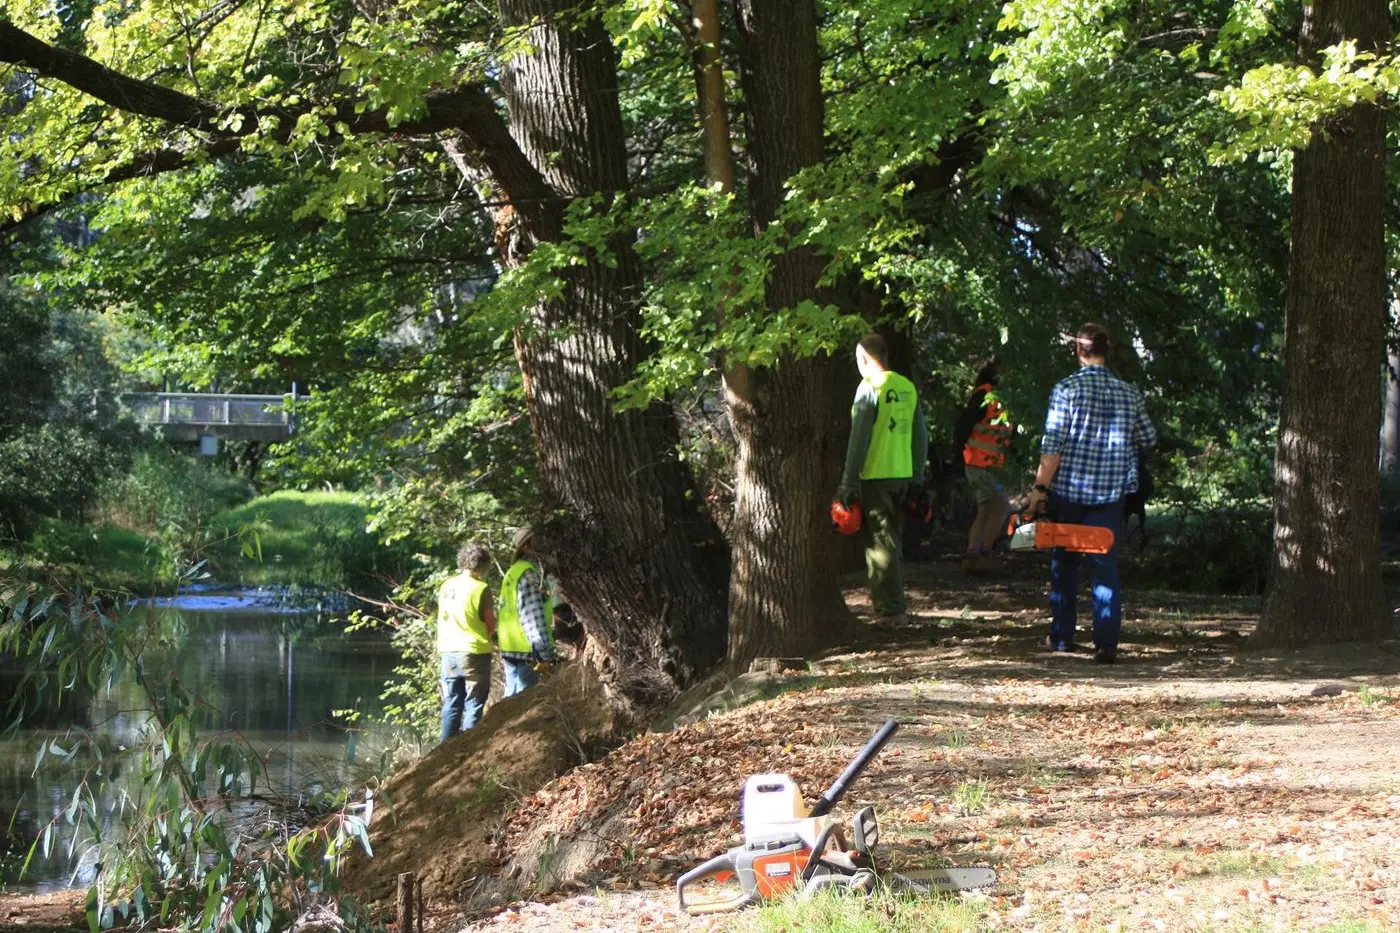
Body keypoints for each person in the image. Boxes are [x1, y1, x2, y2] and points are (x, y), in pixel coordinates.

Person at [1028, 324, 1157, 664]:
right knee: (1105, 565)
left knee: (1065, 563)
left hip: (1068, 493)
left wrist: (1040, 489)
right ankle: (1106, 643)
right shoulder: (1129, 393)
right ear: (1106, 349)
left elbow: (1052, 446)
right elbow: (1149, 439)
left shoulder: (1066, 390)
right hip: (1110, 495)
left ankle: (1061, 638)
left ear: (1078, 351)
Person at [838, 333, 930, 625]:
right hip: (902, 474)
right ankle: (894, 605)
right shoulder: (906, 387)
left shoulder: (869, 387)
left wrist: (848, 483)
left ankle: (890, 612)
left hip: (876, 475)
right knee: (893, 542)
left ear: (864, 358)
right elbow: (921, 437)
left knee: (880, 545)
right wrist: (916, 476)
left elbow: (859, 440)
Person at [953, 357, 1013, 574]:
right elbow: (964, 426)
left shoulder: (991, 397)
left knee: (986, 508)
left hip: (979, 463)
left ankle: (973, 554)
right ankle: (985, 553)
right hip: (981, 463)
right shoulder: (986, 397)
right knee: (1000, 506)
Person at [437, 543, 496, 741]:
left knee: (451, 702)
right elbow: (489, 623)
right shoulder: (481, 589)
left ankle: (444, 750)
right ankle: (468, 749)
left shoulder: (447, 585)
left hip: (448, 651)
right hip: (473, 651)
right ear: (483, 565)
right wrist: (490, 634)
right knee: (474, 703)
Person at [496, 525, 555, 695]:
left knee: (510, 705)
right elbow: (533, 617)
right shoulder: (528, 573)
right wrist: (544, 654)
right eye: (538, 541)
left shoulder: (512, 572)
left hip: (510, 647)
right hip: (527, 651)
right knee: (525, 704)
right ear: (528, 546)